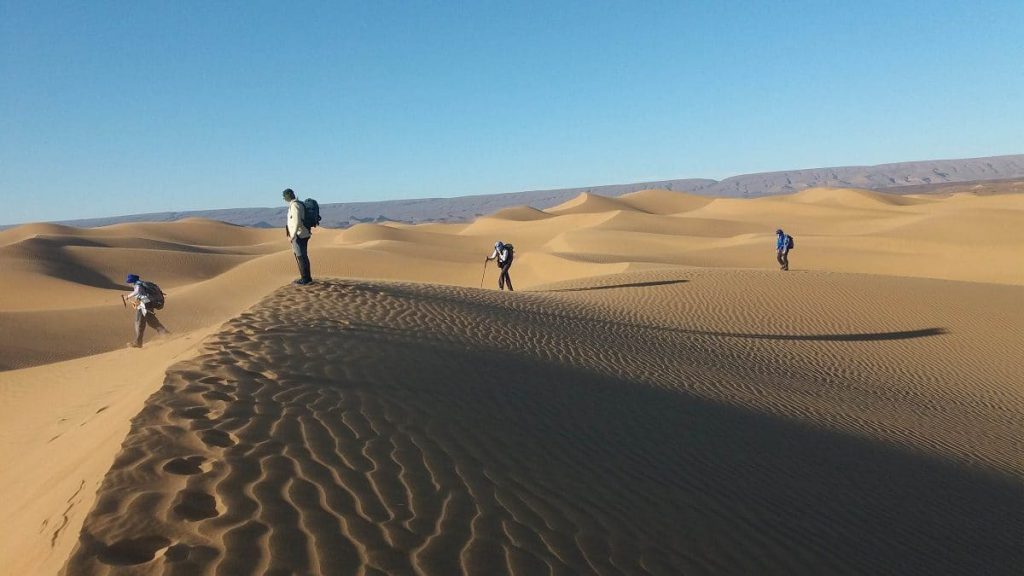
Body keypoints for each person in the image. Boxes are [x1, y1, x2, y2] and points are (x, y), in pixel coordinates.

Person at [124, 273, 169, 348]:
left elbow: (137, 292)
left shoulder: (138, 285)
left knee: (139, 322)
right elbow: (142, 295)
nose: (129, 284)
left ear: (132, 281)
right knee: (151, 321)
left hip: (144, 305)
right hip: (147, 303)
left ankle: (138, 342)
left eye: (129, 282)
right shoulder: (142, 284)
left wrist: (127, 296)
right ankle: (165, 334)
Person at [284, 188, 313, 285]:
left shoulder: (295, 205)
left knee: (300, 256)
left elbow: (297, 222)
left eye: (285, 197)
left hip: (299, 235)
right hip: (302, 234)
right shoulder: (297, 204)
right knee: (303, 256)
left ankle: (305, 279)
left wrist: (292, 235)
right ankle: (307, 278)